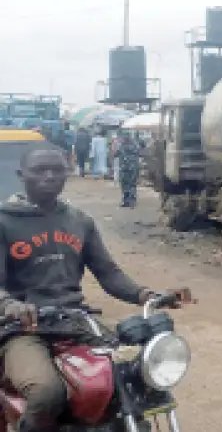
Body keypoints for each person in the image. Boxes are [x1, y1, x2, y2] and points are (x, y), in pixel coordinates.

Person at [0, 147, 190, 431]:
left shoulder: (79, 221)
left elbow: (108, 273)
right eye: (39, 170)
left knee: (129, 376)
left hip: (75, 320)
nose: (49, 176)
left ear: (68, 172)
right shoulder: (4, 221)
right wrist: (10, 304)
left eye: (57, 169)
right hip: (23, 328)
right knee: (46, 392)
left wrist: (145, 295)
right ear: (21, 175)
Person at [117, 132, 142, 208]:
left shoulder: (122, 146)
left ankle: (126, 201)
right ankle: (131, 201)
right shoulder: (135, 145)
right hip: (133, 168)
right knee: (132, 184)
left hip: (125, 168)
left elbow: (116, 154)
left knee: (125, 184)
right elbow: (139, 153)